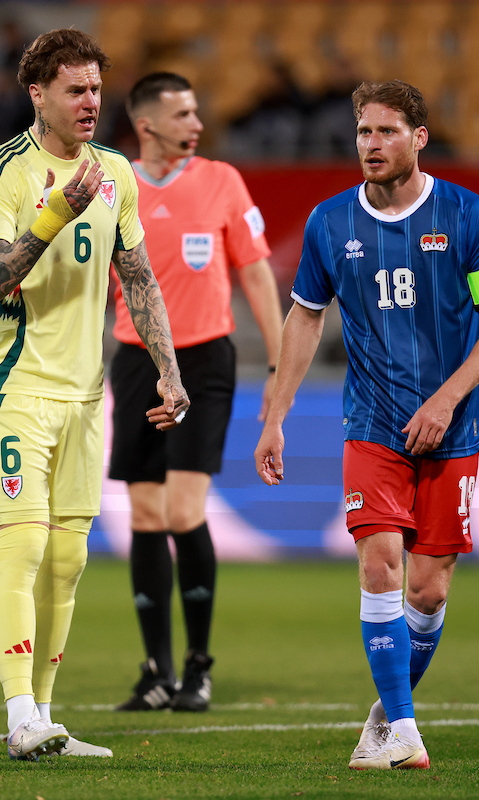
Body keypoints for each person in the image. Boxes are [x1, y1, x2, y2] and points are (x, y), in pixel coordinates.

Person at [254, 80, 479, 771]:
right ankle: (404, 727)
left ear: (419, 138)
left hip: (452, 428)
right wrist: (275, 414)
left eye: (387, 132)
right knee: (380, 563)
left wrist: (447, 398)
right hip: (371, 422)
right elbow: (306, 315)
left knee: (428, 592)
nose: (371, 145)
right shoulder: (330, 223)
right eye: (364, 132)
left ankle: (384, 714)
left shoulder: (467, 215)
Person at [0, 28, 189, 761]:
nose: (91, 102)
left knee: (68, 562)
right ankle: (18, 712)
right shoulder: (3, 172)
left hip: (86, 395)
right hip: (16, 385)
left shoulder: (116, 171)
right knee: (24, 542)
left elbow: (139, 276)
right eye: (76, 90)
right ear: (38, 93)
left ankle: (45, 720)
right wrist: (53, 216)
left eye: (97, 88)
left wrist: (168, 366)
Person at [109, 72, 284, 712]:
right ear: (147, 123)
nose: (197, 123)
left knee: (185, 511)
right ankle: (155, 670)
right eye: (183, 113)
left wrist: (278, 365)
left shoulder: (222, 181)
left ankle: (198, 667)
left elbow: (258, 278)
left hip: (206, 360)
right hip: (136, 362)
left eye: (196, 112)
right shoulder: (113, 184)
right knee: (147, 516)